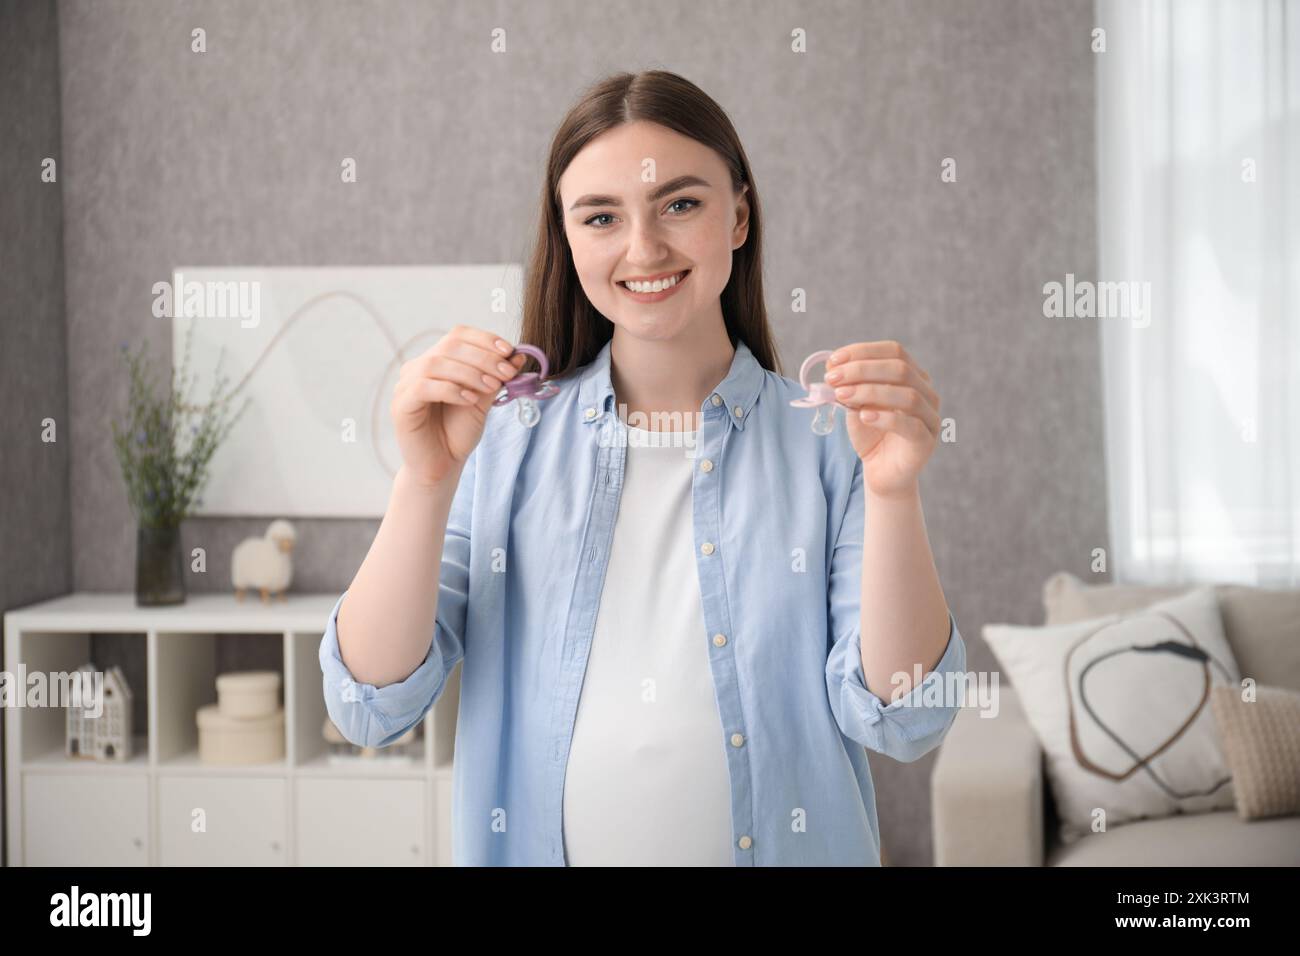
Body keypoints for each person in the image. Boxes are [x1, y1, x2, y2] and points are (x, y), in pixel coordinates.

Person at [320, 70, 967, 866]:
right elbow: (368, 704)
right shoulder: (500, 442)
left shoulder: (833, 442)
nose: (644, 249)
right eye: (601, 216)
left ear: (739, 215)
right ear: (567, 238)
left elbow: (906, 719)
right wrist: (423, 481)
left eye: (681, 204)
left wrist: (895, 489)